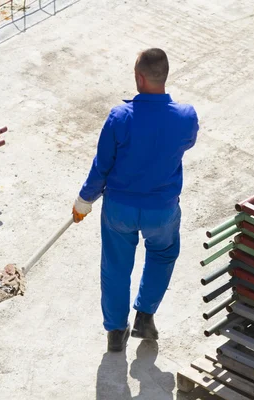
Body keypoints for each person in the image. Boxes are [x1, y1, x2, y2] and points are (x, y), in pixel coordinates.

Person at [73, 48, 199, 352]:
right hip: (162, 210)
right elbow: (187, 143)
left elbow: (102, 165)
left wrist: (84, 200)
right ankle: (145, 315)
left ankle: (116, 332)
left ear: (138, 77)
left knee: (115, 266)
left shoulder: (120, 116)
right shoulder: (186, 117)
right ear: (164, 76)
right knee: (163, 254)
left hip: (119, 209)